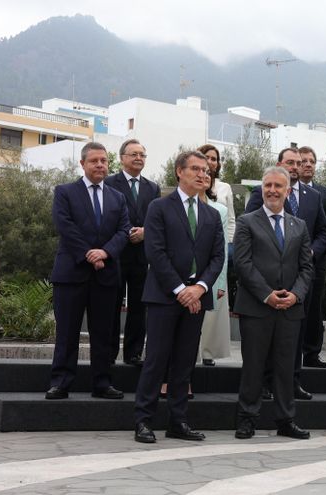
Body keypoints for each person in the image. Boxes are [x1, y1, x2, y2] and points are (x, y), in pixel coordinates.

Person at [133, 151, 225, 444]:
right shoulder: (159, 207)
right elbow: (155, 253)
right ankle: (143, 421)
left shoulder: (212, 213)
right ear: (179, 172)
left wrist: (199, 288)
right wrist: (180, 290)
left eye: (206, 171)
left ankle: (178, 421)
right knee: (156, 360)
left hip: (197, 298)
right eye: (196, 169)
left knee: (185, 362)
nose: (203, 174)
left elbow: (218, 256)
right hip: (164, 296)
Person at [233, 166, 314, 440]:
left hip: (290, 309)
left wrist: (296, 295)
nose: (272, 191)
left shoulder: (299, 226)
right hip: (256, 307)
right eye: (267, 185)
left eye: (278, 186)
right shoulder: (247, 222)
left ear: (288, 191)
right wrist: (266, 294)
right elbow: (242, 263)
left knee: (285, 368)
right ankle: (246, 419)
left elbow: (307, 268)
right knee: (253, 366)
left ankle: (285, 421)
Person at [46, 142, 131, 401]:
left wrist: (104, 252)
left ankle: (102, 383)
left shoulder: (118, 197)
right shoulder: (65, 192)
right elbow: (65, 226)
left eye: (104, 161)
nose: (100, 165)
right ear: (82, 164)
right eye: (94, 161)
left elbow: (123, 230)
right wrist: (88, 254)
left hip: (105, 274)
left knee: (104, 334)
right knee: (67, 332)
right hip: (71, 273)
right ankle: (61, 383)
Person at [245, 148, 326, 400]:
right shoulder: (261, 193)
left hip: (300, 278)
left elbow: (325, 230)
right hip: (267, 280)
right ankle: (262, 383)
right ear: (280, 164)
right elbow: (248, 226)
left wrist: (311, 252)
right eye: (291, 162)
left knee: (296, 332)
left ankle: (292, 382)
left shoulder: (314, 196)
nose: (296, 166)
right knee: (265, 337)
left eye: (299, 162)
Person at [106, 138, 160, 367]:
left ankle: (133, 354)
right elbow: (106, 215)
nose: (138, 158)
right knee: (112, 305)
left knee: (139, 306)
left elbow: (157, 219)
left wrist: (146, 232)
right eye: (133, 154)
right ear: (122, 158)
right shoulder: (109, 183)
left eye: (142, 155)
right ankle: (108, 354)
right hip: (117, 253)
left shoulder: (152, 187)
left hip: (141, 255)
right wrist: (126, 232)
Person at [195, 144, 234, 366]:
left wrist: (229, 248)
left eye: (214, 159)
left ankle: (208, 354)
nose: (210, 163)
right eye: (206, 158)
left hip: (215, 263)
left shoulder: (219, 202)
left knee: (213, 311)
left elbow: (231, 222)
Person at [298, 146, 326, 369]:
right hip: (287, 262)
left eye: (312, 161)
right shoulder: (284, 190)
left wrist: (312, 251)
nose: (308, 164)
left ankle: (312, 354)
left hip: (314, 261)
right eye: (303, 161)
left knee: (314, 309)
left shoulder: (323, 193)